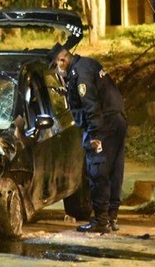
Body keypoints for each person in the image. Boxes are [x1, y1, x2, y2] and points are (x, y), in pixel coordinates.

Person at [49, 43, 127, 233]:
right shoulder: (88, 64)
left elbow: (91, 104)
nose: (57, 72)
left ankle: (101, 220)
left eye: (56, 67)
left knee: (97, 171)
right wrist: (68, 92)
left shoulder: (79, 74)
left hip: (102, 125)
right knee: (114, 170)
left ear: (62, 60)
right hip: (117, 120)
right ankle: (111, 217)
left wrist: (94, 134)